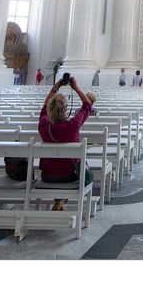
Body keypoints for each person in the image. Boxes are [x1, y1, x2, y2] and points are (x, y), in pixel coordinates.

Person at [38, 75, 95, 211]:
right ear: (65, 110)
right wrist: (75, 87)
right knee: (78, 168)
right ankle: (60, 201)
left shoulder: (43, 126)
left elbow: (44, 106)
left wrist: (56, 87)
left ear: (49, 110)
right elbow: (88, 106)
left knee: (58, 167)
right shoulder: (73, 125)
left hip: (47, 176)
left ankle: (59, 201)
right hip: (70, 176)